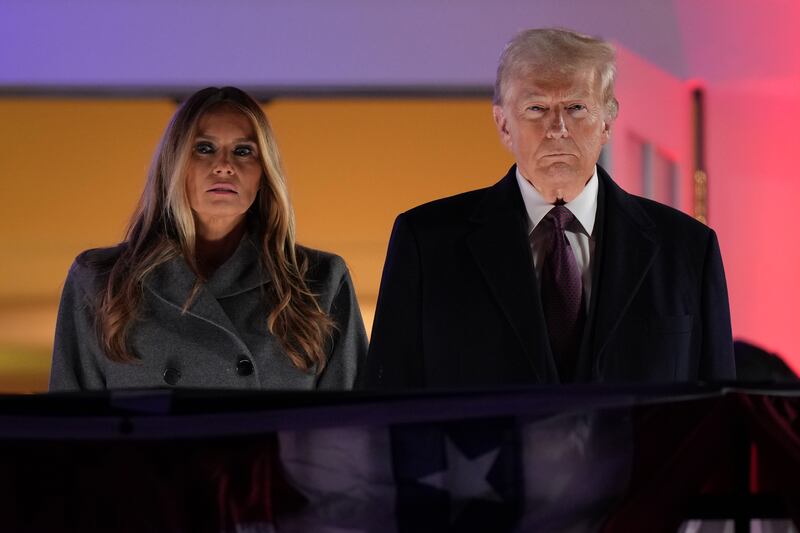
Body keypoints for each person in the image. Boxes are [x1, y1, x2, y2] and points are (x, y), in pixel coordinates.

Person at [364, 28, 735, 388]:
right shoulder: (427, 243)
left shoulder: (688, 249)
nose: (557, 128)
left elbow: (723, 411)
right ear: (503, 124)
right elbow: (386, 408)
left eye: (576, 107)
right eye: (537, 108)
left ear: (607, 122)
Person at [50, 87, 367, 390]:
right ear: (174, 165)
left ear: (264, 173)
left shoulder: (319, 280)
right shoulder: (101, 280)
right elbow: (74, 422)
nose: (224, 166)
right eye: (204, 148)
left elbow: (352, 421)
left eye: (243, 151)